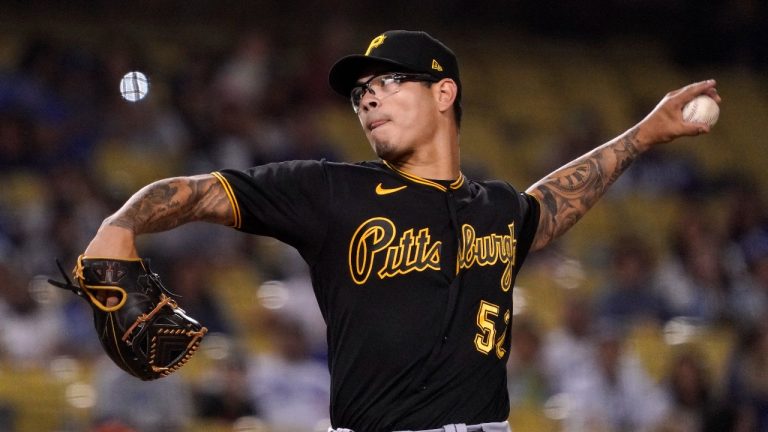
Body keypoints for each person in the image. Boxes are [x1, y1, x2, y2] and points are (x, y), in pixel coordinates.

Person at [80, 30, 720, 432]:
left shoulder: (495, 208)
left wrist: (644, 135)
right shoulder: (330, 191)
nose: (367, 98)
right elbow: (199, 193)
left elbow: (548, 208)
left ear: (444, 93)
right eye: (360, 91)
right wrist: (122, 221)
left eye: (388, 81)